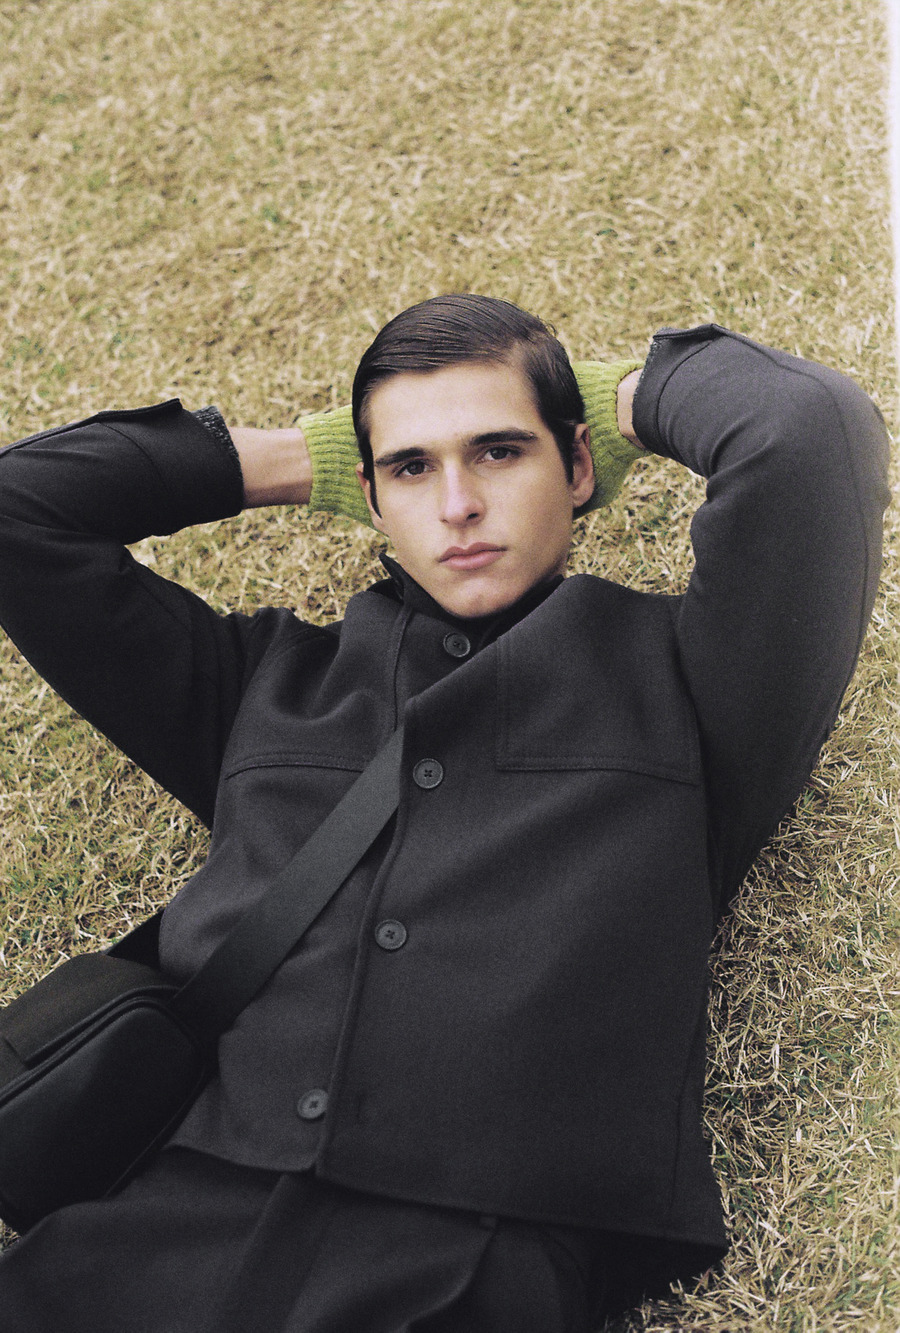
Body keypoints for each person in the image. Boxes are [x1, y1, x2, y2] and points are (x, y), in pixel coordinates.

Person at [0, 295, 889, 1331]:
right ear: (370, 495)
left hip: (474, 1263)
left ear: (579, 466)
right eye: (412, 468)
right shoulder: (263, 685)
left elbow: (806, 432)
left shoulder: (693, 686)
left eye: (500, 451)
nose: (457, 503)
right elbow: (20, 512)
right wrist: (305, 460)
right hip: (149, 1232)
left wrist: (617, 403)